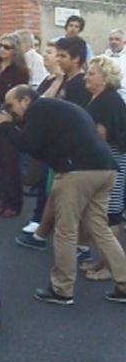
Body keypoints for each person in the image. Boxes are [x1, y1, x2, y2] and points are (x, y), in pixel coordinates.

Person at [0, 85, 126, 305]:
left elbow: (27, 145)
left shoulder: (39, 109)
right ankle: (124, 282)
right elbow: (38, 147)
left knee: (65, 230)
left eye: (11, 106)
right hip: (106, 168)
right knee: (99, 227)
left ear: (25, 100)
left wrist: (6, 126)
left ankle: (62, 289)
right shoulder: (56, 109)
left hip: (77, 171)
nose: (9, 111)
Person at [75, 56, 126, 280]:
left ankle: (111, 268)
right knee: (99, 214)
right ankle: (102, 261)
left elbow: (100, 136)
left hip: (111, 162)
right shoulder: (99, 98)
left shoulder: (109, 101)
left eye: (91, 73)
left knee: (111, 215)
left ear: (105, 78)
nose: (86, 77)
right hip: (103, 162)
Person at [0, 33, 29, 218]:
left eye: (7, 47)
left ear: (15, 51)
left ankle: (14, 202)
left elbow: (19, 94)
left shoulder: (20, 71)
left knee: (10, 161)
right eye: (1, 46)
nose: (2, 50)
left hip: (10, 117)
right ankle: (3, 200)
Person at [55, 35, 91, 106]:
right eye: (57, 55)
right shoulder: (61, 79)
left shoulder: (81, 84)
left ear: (76, 59)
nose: (58, 59)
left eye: (63, 56)